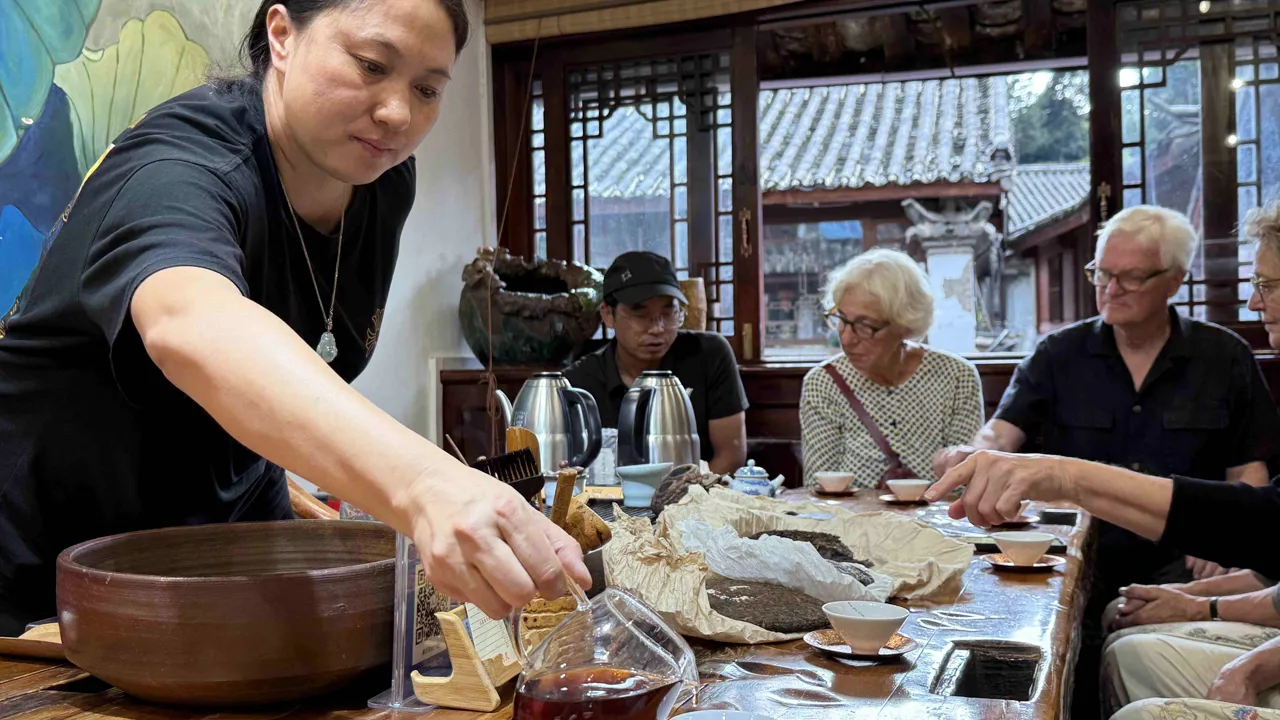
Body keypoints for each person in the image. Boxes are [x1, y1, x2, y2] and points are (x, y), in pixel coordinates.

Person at [0, 0, 588, 637]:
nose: (398, 114)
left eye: (426, 89)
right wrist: (426, 484)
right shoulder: (180, 167)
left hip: (211, 552)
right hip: (40, 572)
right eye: (371, 66)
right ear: (281, 34)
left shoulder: (383, 178)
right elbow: (189, 324)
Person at [927, 202, 1280, 720]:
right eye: (1101, 274)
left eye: (1130, 277)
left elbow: (1253, 483)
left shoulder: (1225, 356)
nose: (1111, 289)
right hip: (1082, 551)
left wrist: (1229, 548)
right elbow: (1000, 432)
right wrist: (974, 453)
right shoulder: (1058, 353)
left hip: (1185, 558)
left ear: (1175, 279)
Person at [800, 248, 982, 488]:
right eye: (841, 319)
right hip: (849, 513)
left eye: (865, 326)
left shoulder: (957, 377)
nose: (846, 338)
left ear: (904, 325)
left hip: (935, 512)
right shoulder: (823, 382)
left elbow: (964, 482)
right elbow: (818, 488)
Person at [564, 251, 748, 475]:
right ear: (608, 315)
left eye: (668, 313)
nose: (657, 328)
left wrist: (685, 494)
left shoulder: (709, 355)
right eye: (640, 314)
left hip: (696, 493)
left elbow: (731, 455)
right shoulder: (579, 382)